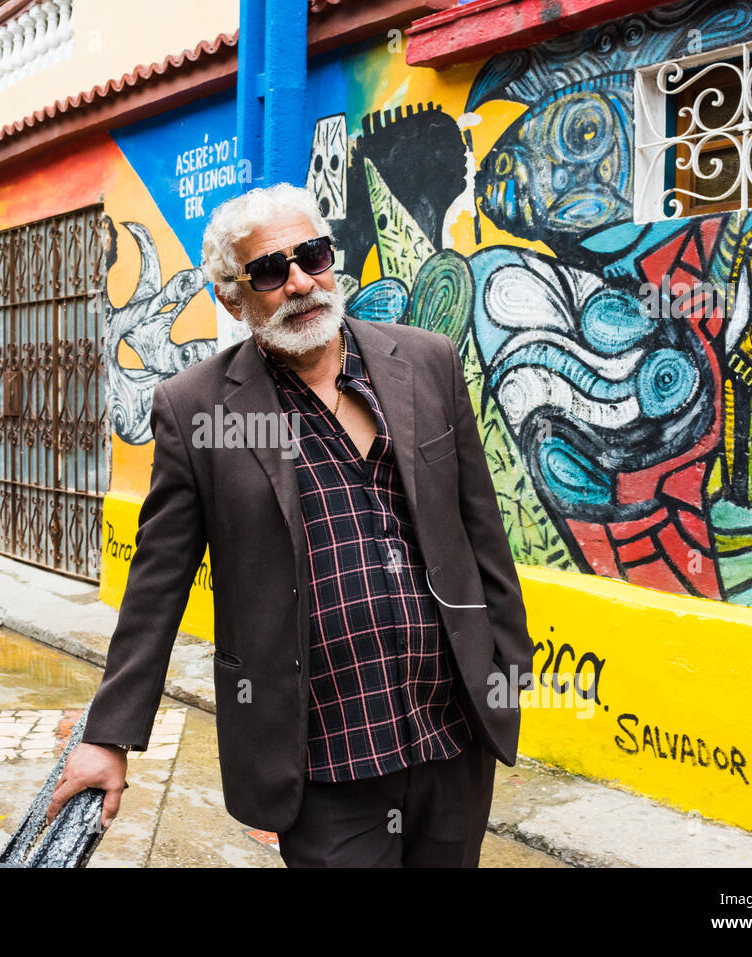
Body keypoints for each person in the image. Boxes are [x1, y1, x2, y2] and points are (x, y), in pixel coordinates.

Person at [47, 183, 533, 867]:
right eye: (270, 270)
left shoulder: (425, 362)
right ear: (232, 297)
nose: (300, 281)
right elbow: (157, 584)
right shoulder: (195, 411)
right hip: (325, 760)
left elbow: (482, 530)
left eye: (313, 254)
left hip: (449, 736)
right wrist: (110, 735)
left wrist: (507, 671)